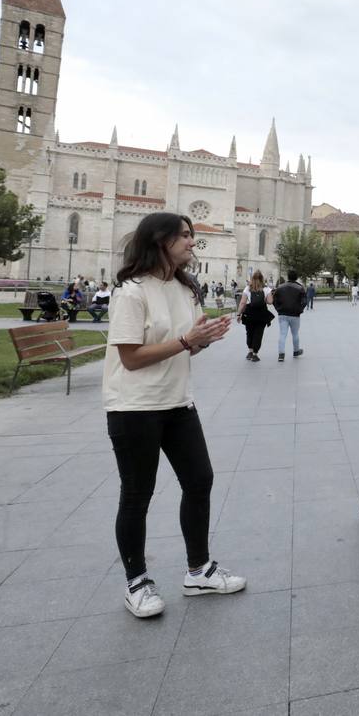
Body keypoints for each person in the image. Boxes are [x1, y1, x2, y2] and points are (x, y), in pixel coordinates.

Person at [101, 212, 243, 618]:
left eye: (192, 235)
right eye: (184, 235)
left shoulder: (184, 288)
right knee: (137, 495)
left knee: (200, 481)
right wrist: (185, 341)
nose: (191, 242)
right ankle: (137, 582)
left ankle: (199, 570)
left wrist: (201, 340)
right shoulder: (131, 292)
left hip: (178, 402)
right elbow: (129, 358)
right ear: (159, 240)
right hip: (134, 407)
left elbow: (183, 344)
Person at [268, 270, 306, 362]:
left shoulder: (280, 287)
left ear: (288, 277)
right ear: (296, 277)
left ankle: (281, 355)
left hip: (283, 314)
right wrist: (299, 310)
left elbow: (274, 300)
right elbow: (304, 302)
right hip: (295, 315)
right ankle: (296, 351)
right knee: (295, 334)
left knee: (282, 334)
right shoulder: (300, 288)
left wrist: (278, 309)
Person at [235, 270, 272, 362]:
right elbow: (270, 302)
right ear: (262, 279)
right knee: (258, 333)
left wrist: (239, 314)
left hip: (249, 313)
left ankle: (250, 351)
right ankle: (255, 354)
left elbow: (243, 303)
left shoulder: (247, 288)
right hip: (262, 314)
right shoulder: (266, 289)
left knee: (249, 332)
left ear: (252, 279)